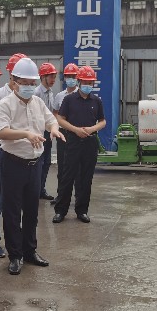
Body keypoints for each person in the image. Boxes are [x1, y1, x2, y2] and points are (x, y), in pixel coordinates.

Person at [0, 58, 64, 275]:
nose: (30, 87)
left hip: (35, 164)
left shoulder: (38, 103)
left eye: (32, 83)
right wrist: (26, 134)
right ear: (14, 81)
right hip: (13, 163)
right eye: (25, 83)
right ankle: (15, 255)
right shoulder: (4, 104)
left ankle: (30, 251)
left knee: (32, 211)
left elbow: (50, 120)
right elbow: (1, 132)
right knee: (12, 212)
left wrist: (53, 128)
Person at [0, 52, 26, 259]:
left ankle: (17, 242)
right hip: (0, 150)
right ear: (11, 74)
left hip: (21, 152)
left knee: (17, 200)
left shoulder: (27, 97)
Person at [53, 66, 106, 224]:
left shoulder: (96, 101)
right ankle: (60, 210)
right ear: (79, 81)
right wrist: (75, 130)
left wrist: (92, 129)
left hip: (90, 142)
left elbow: (102, 121)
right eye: (85, 82)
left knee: (86, 178)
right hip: (73, 141)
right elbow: (60, 119)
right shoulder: (69, 99)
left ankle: (82, 210)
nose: (88, 85)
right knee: (67, 176)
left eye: (90, 82)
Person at [51, 63, 80, 207]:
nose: (71, 79)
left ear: (78, 78)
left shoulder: (83, 95)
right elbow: (55, 113)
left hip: (77, 135)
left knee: (78, 168)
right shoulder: (59, 96)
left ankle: (79, 199)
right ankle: (61, 197)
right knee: (62, 167)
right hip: (63, 134)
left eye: (73, 76)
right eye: (68, 76)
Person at [34, 62, 58, 201]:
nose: (53, 80)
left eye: (54, 77)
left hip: (48, 132)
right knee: (39, 162)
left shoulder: (50, 92)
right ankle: (35, 190)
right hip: (40, 132)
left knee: (47, 162)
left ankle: (41, 189)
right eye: (51, 77)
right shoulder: (37, 93)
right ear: (43, 77)